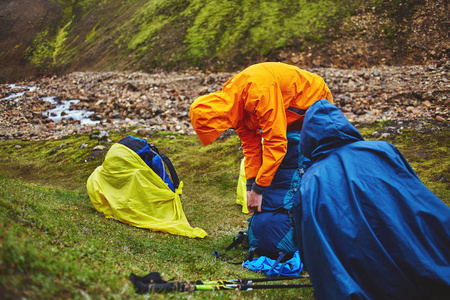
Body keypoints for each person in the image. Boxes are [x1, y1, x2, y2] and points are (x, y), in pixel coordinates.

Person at [294, 99, 450, 300]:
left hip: (358, 270)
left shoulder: (309, 181)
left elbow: (308, 241)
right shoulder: (382, 149)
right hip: (411, 249)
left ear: (308, 138)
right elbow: (414, 192)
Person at [189, 62, 333, 213]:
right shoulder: (235, 109)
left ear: (219, 118)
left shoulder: (256, 91)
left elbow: (276, 142)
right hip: (288, 112)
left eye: (222, 128)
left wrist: (259, 189)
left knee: (311, 156)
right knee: (288, 161)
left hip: (314, 99)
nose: (226, 129)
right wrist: (250, 187)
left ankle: (321, 204)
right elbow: (251, 148)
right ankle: (293, 205)